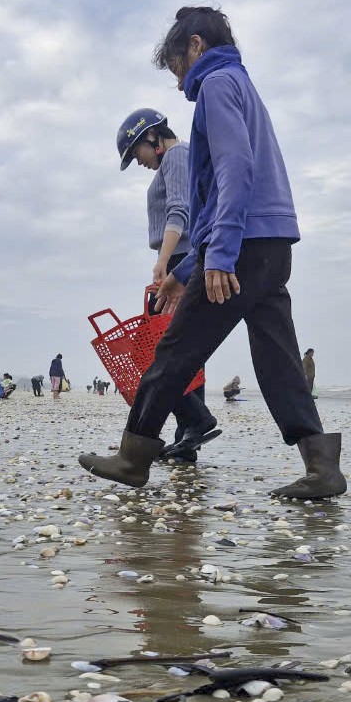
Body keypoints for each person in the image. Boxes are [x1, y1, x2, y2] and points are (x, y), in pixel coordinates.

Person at [79, 6, 346, 500]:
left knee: (177, 350)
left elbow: (234, 171)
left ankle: (133, 457)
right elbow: (221, 189)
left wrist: (219, 256)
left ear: (196, 46)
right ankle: (321, 465)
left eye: (178, 65)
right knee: (278, 357)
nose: (180, 81)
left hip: (241, 245)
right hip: (271, 243)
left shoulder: (219, 85)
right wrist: (185, 269)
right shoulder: (243, 86)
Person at [118, 107, 220, 463]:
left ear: (152, 137)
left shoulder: (177, 155)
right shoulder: (183, 157)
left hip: (182, 260)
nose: (139, 162)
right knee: (187, 351)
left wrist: (164, 261)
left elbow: (179, 211)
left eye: (137, 154)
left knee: (152, 352)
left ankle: (196, 419)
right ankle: (188, 440)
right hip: (187, 259)